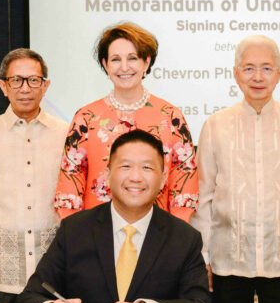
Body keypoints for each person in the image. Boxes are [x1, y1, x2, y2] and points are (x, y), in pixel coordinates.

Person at [192, 35, 280, 303]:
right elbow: (203, 196)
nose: (257, 77)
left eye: (266, 68)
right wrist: (201, 255)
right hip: (228, 262)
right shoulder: (215, 125)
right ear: (235, 73)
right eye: (249, 68)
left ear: (279, 73)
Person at [18, 129, 210, 303]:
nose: (135, 177)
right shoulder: (75, 230)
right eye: (125, 166)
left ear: (162, 180)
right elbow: (31, 296)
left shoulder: (184, 238)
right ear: (108, 175)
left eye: (146, 168)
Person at [0, 48, 69, 303]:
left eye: (34, 80)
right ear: (3, 86)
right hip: (0, 275)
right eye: (16, 80)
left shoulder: (66, 134)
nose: (25, 88)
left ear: (46, 86)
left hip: (54, 273)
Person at [54, 22, 198, 222]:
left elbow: (184, 187)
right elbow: (69, 189)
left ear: (146, 62)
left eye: (132, 58)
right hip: (96, 236)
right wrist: (78, 237)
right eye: (115, 59)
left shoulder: (170, 116)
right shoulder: (86, 118)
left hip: (159, 236)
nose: (124, 67)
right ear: (105, 64)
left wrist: (175, 239)